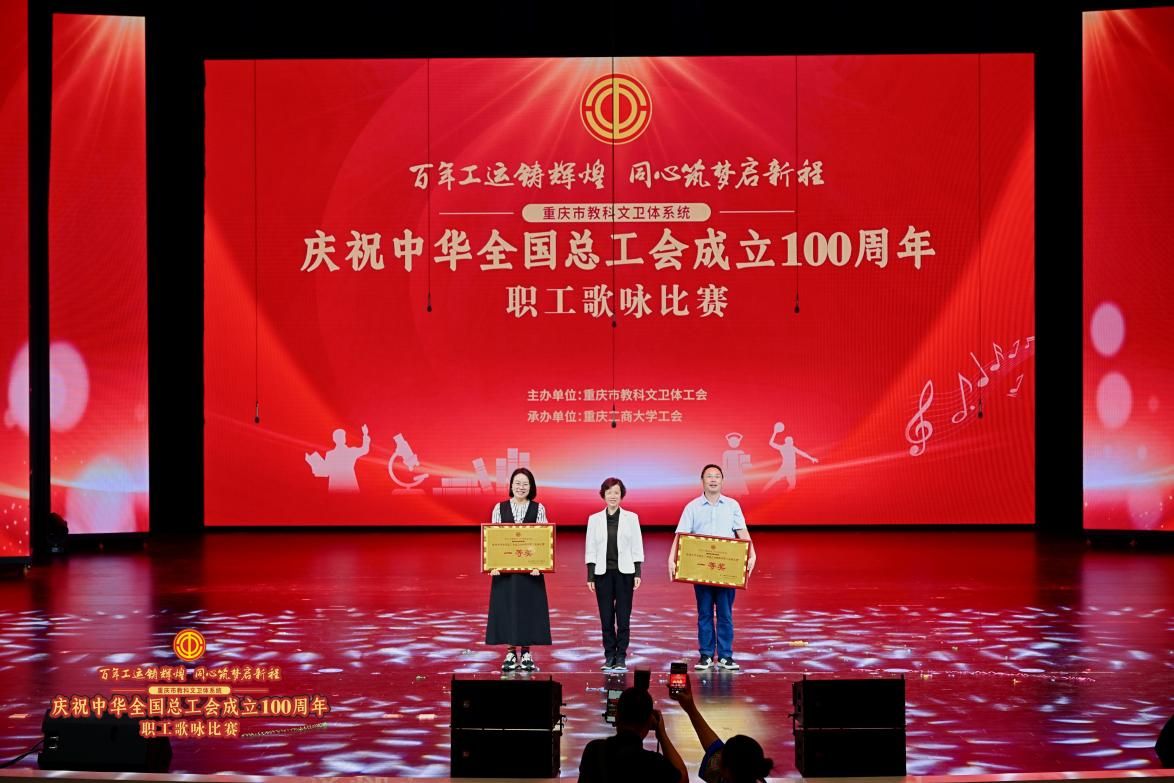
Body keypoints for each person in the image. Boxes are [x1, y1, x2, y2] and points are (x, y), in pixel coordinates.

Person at [668, 464, 756, 671]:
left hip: (727, 570)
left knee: (725, 613)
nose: (713, 479)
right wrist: (671, 559)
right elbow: (681, 535)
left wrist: (752, 553)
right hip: (701, 569)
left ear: (722, 480)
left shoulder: (732, 505)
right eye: (709, 476)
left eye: (717, 476)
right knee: (705, 613)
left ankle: (725, 656)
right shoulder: (692, 507)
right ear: (702, 481)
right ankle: (706, 655)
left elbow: (742, 532)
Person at [485, 467, 551, 672]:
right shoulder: (499, 508)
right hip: (505, 572)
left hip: (530, 572)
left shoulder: (538, 509)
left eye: (525, 484)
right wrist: (493, 565)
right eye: (517, 483)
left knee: (528, 609)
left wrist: (540, 565)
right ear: (511, 486)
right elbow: (494, 539)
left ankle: (527, 652)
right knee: (507, 609)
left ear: (531, 487)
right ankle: (511, 652)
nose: (521, 487)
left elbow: (542, 539)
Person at [585, 477, 645, 672]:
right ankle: (609, 655)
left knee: (623, 617)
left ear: (621, 495)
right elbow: (590, 548)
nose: (613, 496)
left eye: (616, 492)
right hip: (602, 574)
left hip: (625, 573)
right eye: (609, 492)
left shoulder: (631, 518)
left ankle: (621, 657)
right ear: (603, 495)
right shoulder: (594, 519)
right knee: (606, 617)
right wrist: (590, 575)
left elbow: (637, 546)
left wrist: (637, 572)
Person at [672, 674, 774, 783]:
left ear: (726, 771)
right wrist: (690, 708)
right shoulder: (749, 777)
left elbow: (681, 778)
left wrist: (662, 733)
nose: (717, 757)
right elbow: (714, 749)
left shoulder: (724, 778)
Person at [578, 686, 688, 783]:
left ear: (616, 717)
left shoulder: (593, 751)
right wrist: (662, 735)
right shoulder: (654, 763)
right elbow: (683, 778)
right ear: (649, 723)